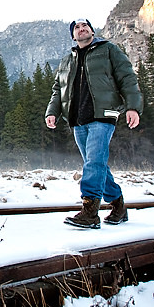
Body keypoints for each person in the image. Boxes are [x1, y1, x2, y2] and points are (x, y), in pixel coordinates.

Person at [45, 18, 143, 229]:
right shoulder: (66, 61)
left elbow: (127, 77)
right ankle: (118, 205)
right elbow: (57, 90)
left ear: (91, 30)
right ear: (73, 35)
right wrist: (51, 112)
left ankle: (90, 212)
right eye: (77, 28)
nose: (81, 29)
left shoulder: (108, 50)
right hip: (78, 120)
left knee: (94, 162)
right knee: (97, 164)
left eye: (85, 26)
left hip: (103, 115)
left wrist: (133, 107)